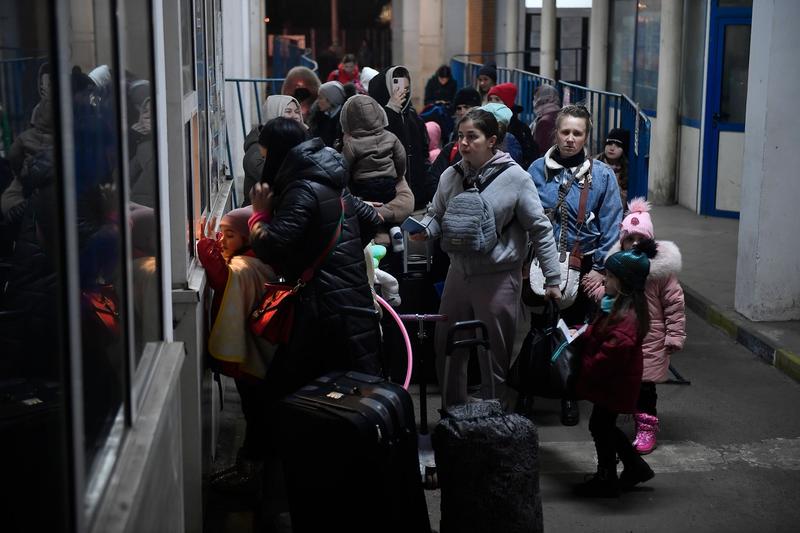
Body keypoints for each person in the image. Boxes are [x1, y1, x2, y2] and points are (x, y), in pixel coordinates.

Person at [413, 108, 561, 408]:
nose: (464, 144)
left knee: (494, 352)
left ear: (492, 140)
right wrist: (424, 232)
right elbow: (437, 215)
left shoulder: (516, 178)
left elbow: (540, 229)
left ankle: (494, 416)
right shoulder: (451, 175)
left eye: (473, 137)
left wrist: (553, 278)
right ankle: (453, 412)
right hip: (458, 274)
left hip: (498, 278)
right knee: (447, 346)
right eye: (461, 137)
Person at [249, 118, 382, 401]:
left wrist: (259, 215)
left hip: (323, 308)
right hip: (350, 302)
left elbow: (272, 244)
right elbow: (371, 218)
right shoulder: (330, 180)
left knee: (294, 393)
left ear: (278, 152)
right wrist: (340, 256)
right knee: (349, 393)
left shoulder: (302, 189)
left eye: (265, 155)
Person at [527, 104, 623, 426]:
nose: (570, 139)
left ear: (586, 136)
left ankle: (568, 393)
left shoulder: (603, 176)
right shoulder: (536, 170)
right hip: (541, 263)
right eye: (565, 132)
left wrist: (600, 269)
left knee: (571, 332)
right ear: (556, 133)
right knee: (538, 328)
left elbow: (612, 227)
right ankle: (530, 388)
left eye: (577, 133)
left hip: (583, 266)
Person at [586, 198, 686, 455]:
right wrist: (597, 289)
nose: (634, 244)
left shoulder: (660, 272)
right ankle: (623, 416)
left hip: (651, 339)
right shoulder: (619, 268)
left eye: (640, 239)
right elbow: (612, 296)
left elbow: (674, 303)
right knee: (623, 380)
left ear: (650, 240)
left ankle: (647, 426)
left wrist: (674, 335)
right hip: (623, 337)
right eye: (629, 239)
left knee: (645, 387)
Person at [197, 206, 277, 494]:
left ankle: (252, 470)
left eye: (229, 235)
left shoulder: (247, 267)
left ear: (248, 239)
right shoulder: (257, 260)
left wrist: (203, 244)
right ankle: (253, 464)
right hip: (259, 353)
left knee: (255, 411)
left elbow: (221, 277)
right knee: (254, 410)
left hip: (254, 356)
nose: (222, 241)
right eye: (221, 234)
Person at [574, 242, 657, 497]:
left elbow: (609, 358)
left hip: (614, 384)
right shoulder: (615, 305)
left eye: (609, 277)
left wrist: (583, 367)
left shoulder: (625, 318)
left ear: (624, 283)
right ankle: (634, 467)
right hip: (613, 383)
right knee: (603, 426)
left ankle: (607, 476)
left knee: (600, 426)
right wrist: (583, 333)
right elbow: (600, 332)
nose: (605, 281)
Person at [368, 65, 434, 209]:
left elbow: (423, 154)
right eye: (396, 84)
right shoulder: (373, 116)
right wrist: (391, 111)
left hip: (417, 198)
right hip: (388, 198)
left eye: (405, 85)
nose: (402, 89)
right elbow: (374, 143)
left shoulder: (412, 116)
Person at [340, 94, 406, 204]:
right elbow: (401, 158)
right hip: (389, 183)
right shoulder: (391, 137)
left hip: (364, 186)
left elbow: (344, 167)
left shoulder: (351, 143)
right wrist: (398, 177)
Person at [242, 95, 305, 205]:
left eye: (296, 111)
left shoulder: (295, 139)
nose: (295, 116)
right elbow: (280, 181)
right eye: (288, 111)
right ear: (273, 114)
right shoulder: (255, 153)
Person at [487, 82, 537, 168]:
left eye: (497, 99)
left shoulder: (519, 129)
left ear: (507, 104)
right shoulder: (486, 123)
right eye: (490, 99)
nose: (493, 103)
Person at [595, 128, 630, 205]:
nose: (612, 148)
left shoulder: (627, 170)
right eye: (609, 143)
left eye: (618, 145)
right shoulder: (594, 164)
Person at [309, 80, 346, 148]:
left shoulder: (344, 121)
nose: (317, 102)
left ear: (331, 100)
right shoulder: (318, 118)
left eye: (320, 98)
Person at [530, 84, 561, 160]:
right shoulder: (560, 114)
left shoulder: (544, 122)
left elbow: (541, 149)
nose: (534, 101)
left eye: (535, 98)